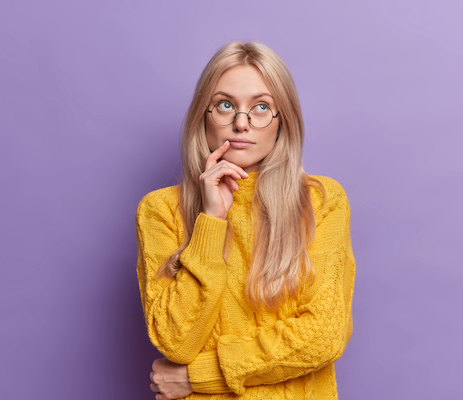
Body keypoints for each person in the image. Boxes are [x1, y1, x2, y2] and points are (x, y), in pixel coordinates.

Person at [135, 41, 356, 400]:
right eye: (225, 105)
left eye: (261, 107)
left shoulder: (321, 201)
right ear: (202, 118)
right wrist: (211, 220)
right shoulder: (160, 210)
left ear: (282, 122)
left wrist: (198, 377)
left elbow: (323, 335)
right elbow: (175, 342)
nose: (241, 123)